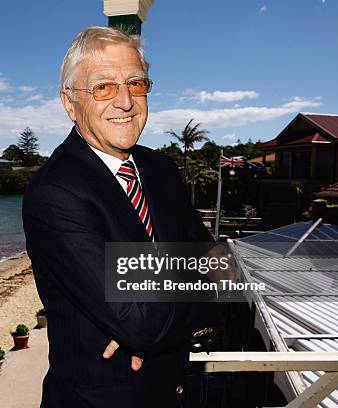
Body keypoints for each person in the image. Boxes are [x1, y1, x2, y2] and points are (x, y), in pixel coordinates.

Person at [22, 26, 220, 408]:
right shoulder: (56, 192)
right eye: (103, 87)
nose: (126, 101)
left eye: (136, 83)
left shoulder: (160, 169)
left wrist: (156, 310)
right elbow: (143, 323)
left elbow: (222, 268)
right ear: (69, 102)